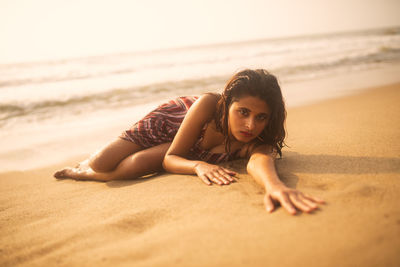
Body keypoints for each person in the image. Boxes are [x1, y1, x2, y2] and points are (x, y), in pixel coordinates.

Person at [54, 69, 324, 215]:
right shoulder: (209, 104)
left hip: (187, 148)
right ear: (228, 104)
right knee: (102, 161)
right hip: (171, 123)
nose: (251, 125)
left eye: (261, 117)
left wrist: (275, 186)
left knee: (138, 164)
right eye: (243, 112)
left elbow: (260, 161)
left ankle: (82, 174)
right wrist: (198, 166)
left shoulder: (259, 138)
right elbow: (173, 157)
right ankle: (86, 165)